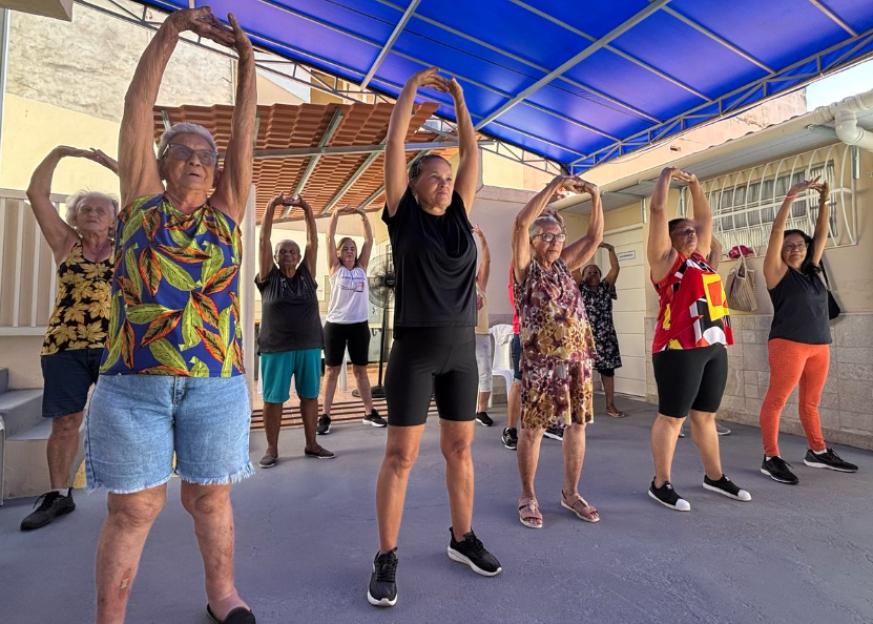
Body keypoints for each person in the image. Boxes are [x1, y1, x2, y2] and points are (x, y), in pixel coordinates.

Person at [86, 9, 258, 623]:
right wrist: (170, 32)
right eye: (179, 151)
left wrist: (247, 63)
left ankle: (222, 596)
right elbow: (137, 103)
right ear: (158, 164)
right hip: (134, 387)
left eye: (203, 155)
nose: (194, 158)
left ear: (215, 175)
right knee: (134, 508)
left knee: (210, 498)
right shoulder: (136, 205)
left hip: (214, 386)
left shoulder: (226, 213)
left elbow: (245, 137)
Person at [368, 68, 501, 609]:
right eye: (434, 176)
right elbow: (395, 143)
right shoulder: (403, 218)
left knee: (461, 448)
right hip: (416, 348)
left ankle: (462, 539)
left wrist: (463, 100)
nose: (445, 182)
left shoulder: (460, 215)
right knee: (401, 454)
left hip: (459, 349)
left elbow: (472, 156)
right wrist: (409, 92)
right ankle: (385, 556)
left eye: (448, 177)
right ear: (415, 183)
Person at [20, 146, 118, 532]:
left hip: (115, 346)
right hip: (64, 346)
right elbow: (36, 195)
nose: (92, 213)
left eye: (101, 209)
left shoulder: (126, 244)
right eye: (85, 209)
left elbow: (147, 199)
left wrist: (112, 165)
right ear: (75, 218)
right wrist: (59, 152)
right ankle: (59, 494)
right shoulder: (65, 244)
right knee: (65, 422)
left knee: (125, 419)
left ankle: (128, 490)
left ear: (113, 220)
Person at [647, 166, 751, 513]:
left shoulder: (702, 262)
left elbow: (705, 218)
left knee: (705, 416)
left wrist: (695, 183)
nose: (692, 234)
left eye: (693, 231)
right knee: (672, 417)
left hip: (712, 346)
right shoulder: (666, 262)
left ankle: (715, 476)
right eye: (684, 231)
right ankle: (660, 482)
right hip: (677, 349)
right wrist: (666, 176)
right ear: (670, 237)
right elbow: (659, 211)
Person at [512, 174, 603, 529]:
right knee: (532, 429)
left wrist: (595, 195)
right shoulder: (525, 269)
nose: (553, 240)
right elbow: (521, 221)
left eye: (558, 235)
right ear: (533, 242)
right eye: (545, 235)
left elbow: (595, 237)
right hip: (540, 364)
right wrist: (553, 186)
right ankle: (527, 495)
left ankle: (571, 493)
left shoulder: (565, 265)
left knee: (577, 427)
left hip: (578, 362)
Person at [759, 179, 857, 484]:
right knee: (776, 401)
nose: (794, 249)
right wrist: (792, 196)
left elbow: (822, 233)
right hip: (788, 345)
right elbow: (777, 232)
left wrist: (824, 201)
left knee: (810, 403)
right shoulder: (777, 274)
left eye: (799, 244)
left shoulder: (813, 270)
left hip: (819, 346)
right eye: (788, 247)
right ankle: (770, 457)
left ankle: (817, 451)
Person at [256, 192, 334, 466]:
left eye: (292, 251)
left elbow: (314, 240)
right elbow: (263, 239)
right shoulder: (268, 277)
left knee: (310, 396)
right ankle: (271, 449)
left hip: (310, 344)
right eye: (282, 252)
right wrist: (270, 205)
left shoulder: (306, 274)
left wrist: (307, 209)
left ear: (299, 256)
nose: (287, 254)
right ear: (275, 257)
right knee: (273, 399)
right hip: (275, 346)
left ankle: (312, 444)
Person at [319, 206, 386, 433]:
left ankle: (369, 412)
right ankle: (325, 416)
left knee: (361, 371)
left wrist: (363, 217)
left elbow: (369, 239)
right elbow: (328, 237)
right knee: (332, 371)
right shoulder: (335, 268)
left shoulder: (361, 268)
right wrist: (335, 214)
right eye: (345, 248)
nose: (349, 251)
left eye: (352, 248)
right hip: (336, 327)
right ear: (338, 253)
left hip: (359, 326)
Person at [678, 236, 731, 437]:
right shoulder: (674, 270)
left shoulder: (707, 270)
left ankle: (708, 421)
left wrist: (701, 229)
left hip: (715, 331)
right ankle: (676, 423)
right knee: (686, 382)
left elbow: (717, 247)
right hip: (689, 332)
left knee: (708, 382)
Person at [579, 242, 624, 418]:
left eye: (595, 272)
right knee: (583, 374)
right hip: (584, 339)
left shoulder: (606, 287)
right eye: (588, 272)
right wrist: (584, 250)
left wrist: (610, 249)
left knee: (608, 372)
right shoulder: (579, 289)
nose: (592, 275)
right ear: (583, 277)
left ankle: (610, 406)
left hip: (606, 338)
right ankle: (582, 408)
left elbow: (615, 268)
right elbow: (574, 269)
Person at [473, 225, 494, 427]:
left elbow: (486, 261)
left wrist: (482, 236)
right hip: (459, 335)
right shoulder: (453, 286)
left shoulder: (479, 285)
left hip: (481, 334)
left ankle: (481, 411)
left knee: (484, 372)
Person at [501, 265, 521, 451]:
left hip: (549, 339)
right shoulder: (518, 270)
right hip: (524, 336)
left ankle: (550, 425)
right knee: (519, 382)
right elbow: (517, 300)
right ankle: (511, 429)